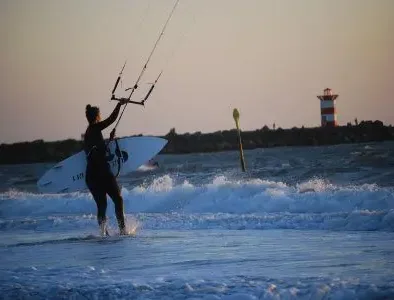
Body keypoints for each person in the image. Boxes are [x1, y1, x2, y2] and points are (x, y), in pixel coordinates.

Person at [84, 100, 128, 236]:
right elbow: (112, 119)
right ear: (97, 117)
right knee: (118, 200)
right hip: (102, 172)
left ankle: (103, 234)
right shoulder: (95, 128)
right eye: (100, 115)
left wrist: (109, 139)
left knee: (102, 206)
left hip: (91, 175)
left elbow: (98, 152)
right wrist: (119, 105)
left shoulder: (89, 133)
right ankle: (122, 231)